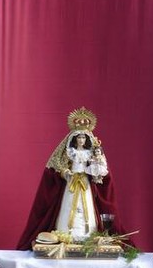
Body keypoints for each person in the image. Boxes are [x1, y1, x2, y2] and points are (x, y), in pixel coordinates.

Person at [17, 107, 121, 249]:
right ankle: (66, 234)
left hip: (85, 184)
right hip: (71, 183)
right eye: (79, 137)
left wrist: (95, 167)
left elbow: (100, 170)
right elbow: (58, 164)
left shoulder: (91, 152)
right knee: (69, 206)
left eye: (83, 137)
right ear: (74, 138)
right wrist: (66, 172)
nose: (81, 140)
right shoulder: (69, 151)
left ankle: (87, 235)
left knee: (86, 207)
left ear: (87, 139)